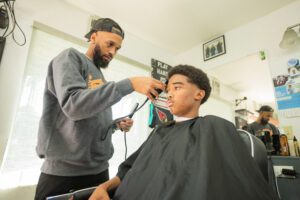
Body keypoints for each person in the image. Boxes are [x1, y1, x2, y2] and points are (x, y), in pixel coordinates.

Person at [89, 65, 278, 200]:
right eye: (168, 89)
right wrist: (104, 187)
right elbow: (128, 168)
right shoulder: (159, 132)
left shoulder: (214, 126)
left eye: (177, 87)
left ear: (199, 94)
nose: (169, 94)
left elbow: (235, 183)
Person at [34, 18, 165, 200]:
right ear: (94, 37)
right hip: (64, 175)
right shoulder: (70, 57)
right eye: (110, 44)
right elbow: (74, 106)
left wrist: (114, 125)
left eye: (117, 48)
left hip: (99, 172)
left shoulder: (99, 76)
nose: (112, 52)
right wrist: (130, 84)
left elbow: (88, 118)